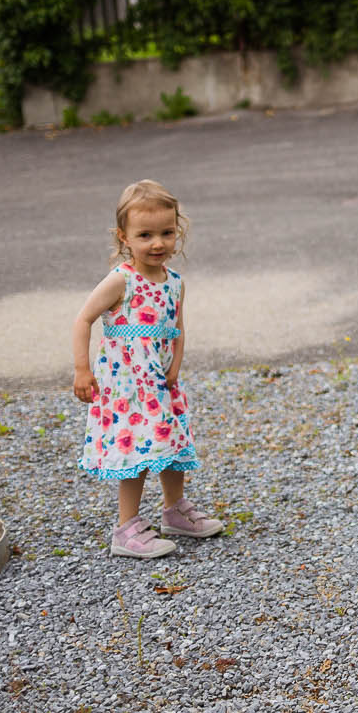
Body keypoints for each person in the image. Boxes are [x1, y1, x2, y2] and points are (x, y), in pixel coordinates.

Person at [71, 179, 226, 558]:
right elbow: (83, 319)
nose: (157, 243)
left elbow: (177, 327)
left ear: (179, 231)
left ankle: (175, 510)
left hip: (160, 381)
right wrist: (81, 369)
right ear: (123, 237)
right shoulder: (121, 281)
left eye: (167, 233)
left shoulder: (175, 283)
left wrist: (175, 366)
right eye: (145, 235)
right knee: (135, 451)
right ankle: (126, 529)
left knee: (171, 444)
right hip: (126, 384)